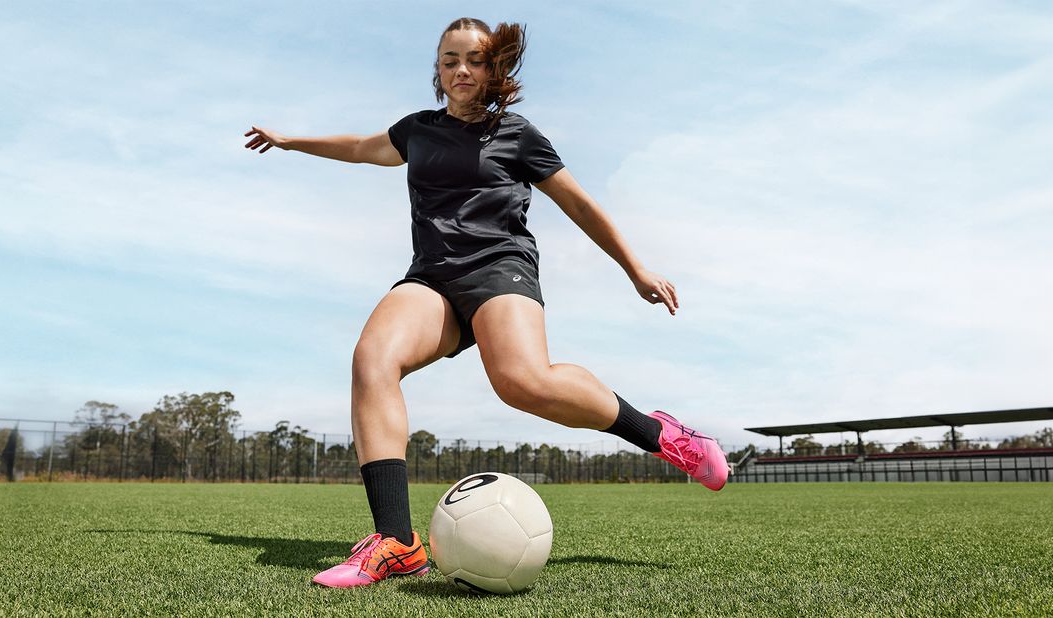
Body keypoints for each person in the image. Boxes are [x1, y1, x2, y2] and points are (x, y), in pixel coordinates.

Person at [243, 18, 729, 589]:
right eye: (449, 60)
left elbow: (580, 206)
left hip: (500, 267)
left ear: (495, 69)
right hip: (432, 278)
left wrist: (635, 268)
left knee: (523, 383)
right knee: (372, 359)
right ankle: (397, 542)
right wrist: (290, 141)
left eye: (474, 60)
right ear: (438, 70)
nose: (461, 70)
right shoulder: (416, 131)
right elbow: (359, 147)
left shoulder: (517, 134)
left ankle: (662, 434)